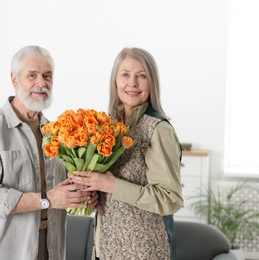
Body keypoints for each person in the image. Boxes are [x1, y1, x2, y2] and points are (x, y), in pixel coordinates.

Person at [0, 45, 98, 260]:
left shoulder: (57, 132)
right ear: (14, 79)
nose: (41, 83)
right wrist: (47, 200)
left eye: (47, 76)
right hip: (5, 249)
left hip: (50, 245)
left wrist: (84, 196)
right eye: (32, 75)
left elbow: (64, 189)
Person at [70, 47, 183, 259]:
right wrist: (96, 194)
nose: (132, 83)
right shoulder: (109, 128)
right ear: (115, 81)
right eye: (125, 75)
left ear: (152, 83)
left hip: (144, 253)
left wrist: (110, 185)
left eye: (141, 76)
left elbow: (170, 199)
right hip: (106, 250)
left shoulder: (158, 130)